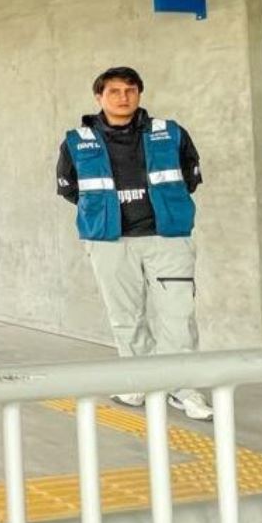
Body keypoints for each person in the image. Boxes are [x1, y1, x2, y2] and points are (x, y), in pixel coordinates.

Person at [56, 66, 208, 419]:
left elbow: (191, 176)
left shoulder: (170, 133)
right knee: (125, 317)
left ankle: (181, 387)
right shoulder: (77, 141)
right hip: (110, 240)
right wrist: (104, 213)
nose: (122, 98)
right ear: (99, 97)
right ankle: (138, 381)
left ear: (139, 93)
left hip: (167, 237)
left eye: (129, 90)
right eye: (114, 92)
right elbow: (69, 187)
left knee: (178, 316)